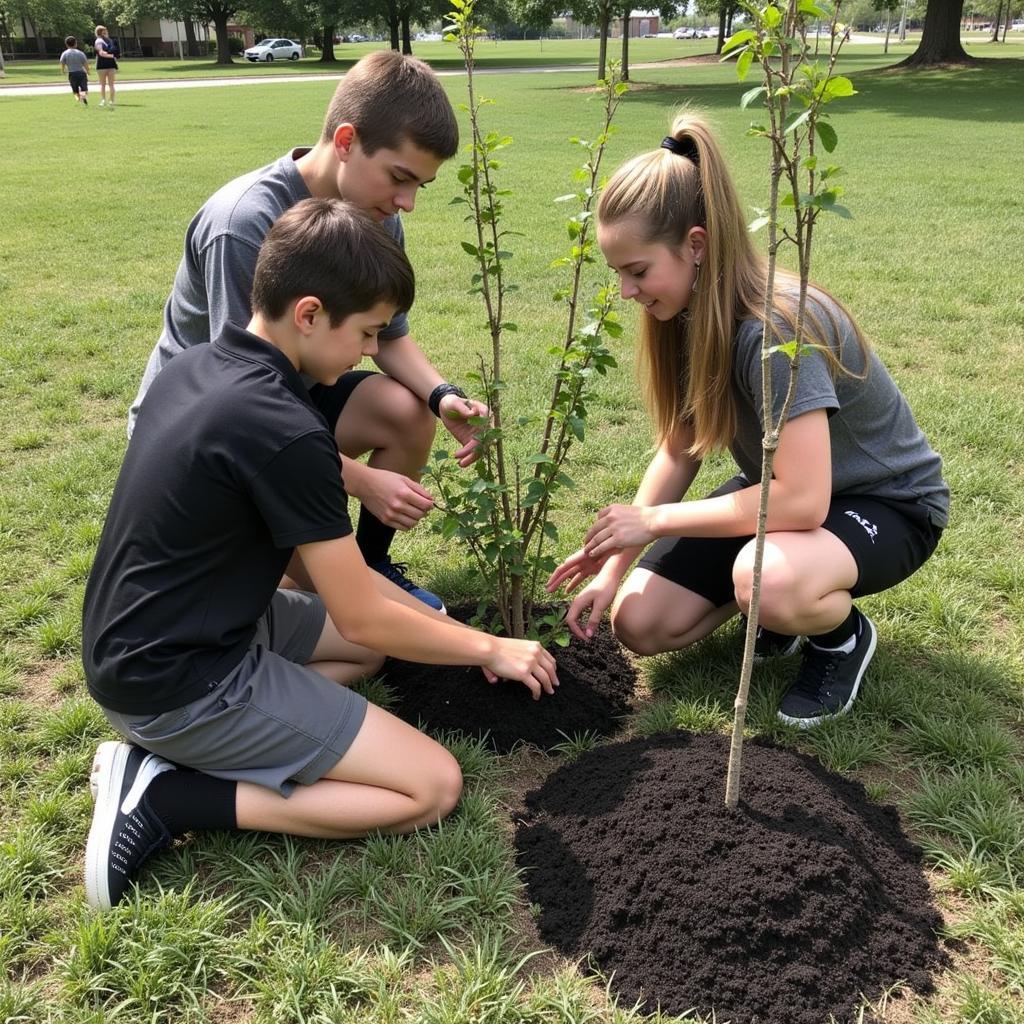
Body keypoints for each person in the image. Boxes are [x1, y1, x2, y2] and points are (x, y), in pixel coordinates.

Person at [82, 199, 559, 911]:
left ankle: (203, 747)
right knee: (432, 786)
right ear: (308, 314)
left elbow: (347, 598)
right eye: (366, 332)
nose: (371, 351)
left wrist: (449, 631)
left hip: (145, 642)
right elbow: (363, 614)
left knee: (364, 660)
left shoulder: (196, 368)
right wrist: (489, 648)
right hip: (178, 683)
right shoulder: (288, 429)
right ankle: (169, 795)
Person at [547, 114, 949, 729]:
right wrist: (611, 570)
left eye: (637, 271)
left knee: (766, 580)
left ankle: (838, 637)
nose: (627, 292)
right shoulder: (682, 316)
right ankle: (773, 608)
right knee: (639, 622)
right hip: (785, 491)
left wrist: (650, 521)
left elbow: (805, 500)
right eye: (617, 274)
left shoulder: (775, 330)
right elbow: (679, 450)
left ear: (697, 246)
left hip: (885, 503)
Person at [127, 49, 486, 612]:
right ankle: (348, 595)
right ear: (345, 141)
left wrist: (442, 397)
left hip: (283, 398)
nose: (407, 204)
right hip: (204, 427)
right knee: (319, 591)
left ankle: (371, 571)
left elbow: (388, 335)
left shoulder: (376, 216)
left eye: (421, 185)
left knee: (407, 407)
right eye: (399, 177)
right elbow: (242, 404)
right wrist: (361, 482)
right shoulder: (245, 224)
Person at [59, 36, 90, 106]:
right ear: (75, 43)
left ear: (66, 44)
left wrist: (63, 70)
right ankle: (83, 97)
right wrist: (88, 71)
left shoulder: (65, 53)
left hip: (72, 74)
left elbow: (62, 63)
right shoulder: (80, 53)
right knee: (84, 87)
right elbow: (85, 63)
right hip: (81, 73)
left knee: (75, 89)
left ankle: (78, 98)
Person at [93, 25, 117, 107]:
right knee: (104, 84)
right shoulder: (99, 41)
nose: (106, 33)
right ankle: (104, 100)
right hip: (102, 64)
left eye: (106, 31)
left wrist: (112, 54)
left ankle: (111, 100)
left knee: (110, 84)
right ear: (100, 33)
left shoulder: (109, 41)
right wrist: (112, 56)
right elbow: (101, 53)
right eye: (104, 31)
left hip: (109, 65)